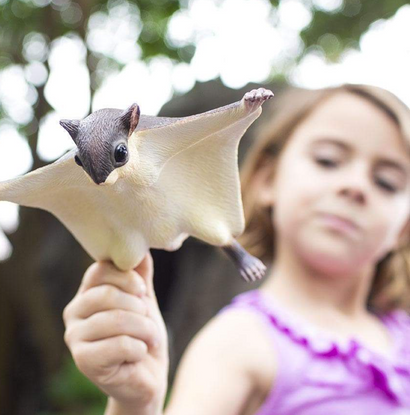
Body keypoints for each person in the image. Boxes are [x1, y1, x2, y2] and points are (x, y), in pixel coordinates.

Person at [62, 84, 410, 415]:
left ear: (405, 227)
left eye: (387, 182)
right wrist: (136, 404)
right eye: (328, 160)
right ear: (267, 180)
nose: (356, 186)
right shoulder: (238, 343)